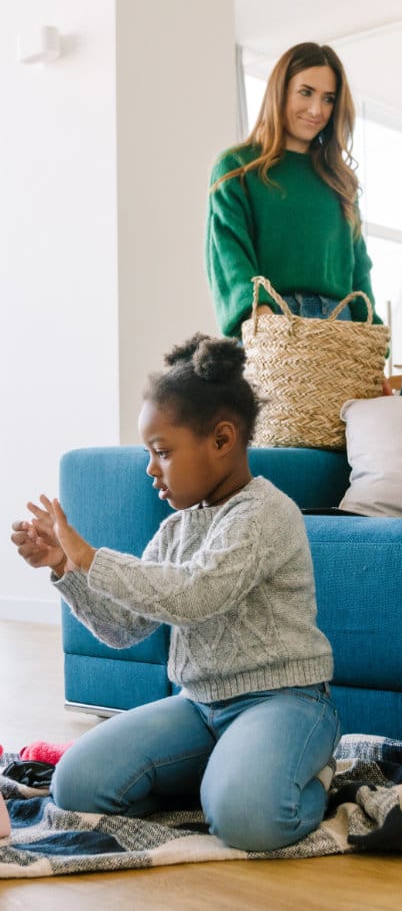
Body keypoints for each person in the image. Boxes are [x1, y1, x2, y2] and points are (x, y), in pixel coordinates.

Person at [10, 335, 340, 852]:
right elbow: (127, 629)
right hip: (198, 708)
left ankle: (306, 778)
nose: (150, 469)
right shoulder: (175, 529)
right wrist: (64, 569)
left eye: (162, 452)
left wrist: (92, 557)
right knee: (74, 785)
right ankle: (225, 773)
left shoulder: (266, 514)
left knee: (247, 819)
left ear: (223, 440)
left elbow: (193, 595)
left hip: (284, 702)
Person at [206, 41, 383, 340]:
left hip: (340, 331)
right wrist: (263, 321)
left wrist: (373, 345)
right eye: (306, 92)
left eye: (328, 99)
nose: (317, 110)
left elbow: (358, 271)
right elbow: (228, 255)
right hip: (269, 325)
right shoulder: (236, 168)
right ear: (280, 90)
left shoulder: (340, 180)